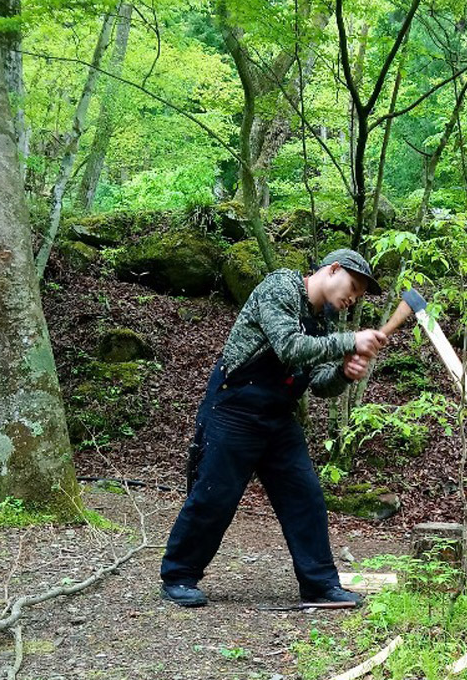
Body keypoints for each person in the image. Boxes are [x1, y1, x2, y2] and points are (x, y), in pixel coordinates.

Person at [160, 249, 388, 608]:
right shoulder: (280, 287)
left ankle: (319, 585)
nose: (354, 298)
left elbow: (319, 384)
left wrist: (343, 373)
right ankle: (178, 576)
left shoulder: (323, 323)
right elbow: (289, 347)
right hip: (234, 408)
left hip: (279, 417)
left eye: (359, 294)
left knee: (305, 497)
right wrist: (350, 342)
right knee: (215, 496)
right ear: (333, 270)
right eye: (354, 287)